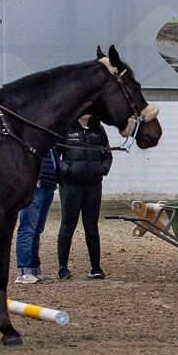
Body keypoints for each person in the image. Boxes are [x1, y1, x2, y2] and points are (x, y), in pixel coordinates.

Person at [56, 115, 113, 279]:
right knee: (68, 225)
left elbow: (107, 154)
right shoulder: (66, 128)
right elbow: (55, 155)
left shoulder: (98, 129)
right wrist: (67, 170)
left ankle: (96, 267)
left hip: (93, 185)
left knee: (92, 226)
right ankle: (63, 268)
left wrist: (102, 169)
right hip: (71, 186)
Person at [14, 153, 58, 284]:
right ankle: (23, 269)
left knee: (36, 230)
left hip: (47, 185)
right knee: (27, 229)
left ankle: (34, 268)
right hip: (36, 187)